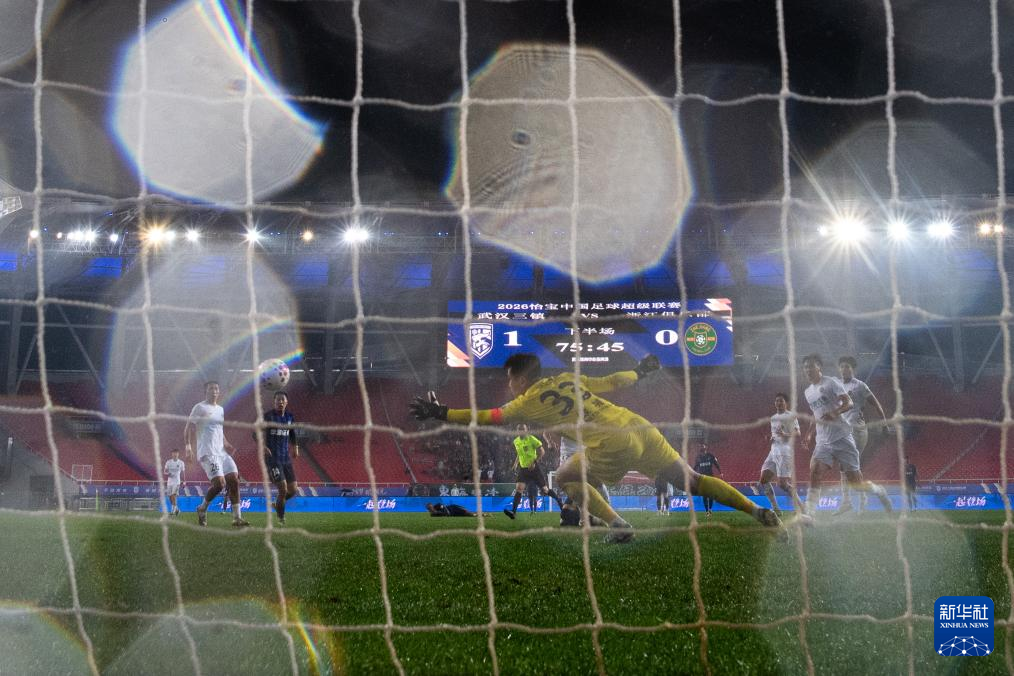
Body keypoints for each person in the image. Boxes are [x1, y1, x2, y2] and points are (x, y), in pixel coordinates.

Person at [410, 353, 782, 542]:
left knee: (565, 476)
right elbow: (613, 380)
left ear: (521, 379)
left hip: (613, 441)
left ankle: (618, 525)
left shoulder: (527, 401)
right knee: (693, 481)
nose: (510, 385)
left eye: (510, 379)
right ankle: (756, 510)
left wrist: (441, 412)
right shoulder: (567, 379)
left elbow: (487, 417)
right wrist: (641, 371)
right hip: (639, 426)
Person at [801, 354, 891, 515]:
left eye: (811, 366)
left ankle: (877, 491)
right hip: (823, 440)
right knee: (815, 470)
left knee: (855, 482)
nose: (808, 369)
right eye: (805, 367)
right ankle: (810, 512)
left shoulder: (835, 383)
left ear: (819, 367)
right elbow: (816, 414)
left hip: (845, 435)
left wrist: (835, 413)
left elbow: (850, 403)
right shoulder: (808, 392)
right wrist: (809, 434)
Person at [185, 381, 248, 528]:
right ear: (205, 392)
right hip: (208, 452)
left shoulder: (220, 409)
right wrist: (188, 447)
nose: (214, 390)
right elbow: (188, 427)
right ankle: (202, 508)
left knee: (234, 480)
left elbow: (219, 429)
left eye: (216, 388)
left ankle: (237, 518)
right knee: (219, 484)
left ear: (219, 392)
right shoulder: (199, 407)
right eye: (211, 388)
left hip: (222, 452)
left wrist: (226, 443)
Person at [835, 356, 888, 514]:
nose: (844, 369)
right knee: (846, 467)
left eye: (847, 366)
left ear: (853, 369)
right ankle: (857, 499)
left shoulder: (860, 385)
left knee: (848, 466)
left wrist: (885, 424)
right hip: (843, 431)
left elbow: (876, 404)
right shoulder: (836, 386)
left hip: (857, 430)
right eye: (842, 366)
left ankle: (855, 499)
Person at [757, 394, 806, 518]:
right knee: (763, 480)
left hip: (785, 452)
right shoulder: (773, 418)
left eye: (781, 401)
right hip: (773, 451)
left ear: (786, 403)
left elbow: (798, 433)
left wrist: (785, 434)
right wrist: (771, 438)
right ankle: (776, 509)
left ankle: (802, 507)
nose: (778, 403)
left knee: (782, 484)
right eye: (776, 401)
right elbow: (776, 434)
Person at [504, 424, 564, 519]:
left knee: (545, 490)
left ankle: (560, 502)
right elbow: (519, 454)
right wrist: (515, 464)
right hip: (523, 469)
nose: (522, 431)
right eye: (520, 430)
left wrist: (534, 462)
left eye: (523, 430)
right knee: (519, 488)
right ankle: (513, 512)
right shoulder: (516, 441)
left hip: (534, 469)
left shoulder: (531, 439)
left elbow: (542, 451)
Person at [261, 390, 299, 525]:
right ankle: (281, 518)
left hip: (286, 459)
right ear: (274, 402)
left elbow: (292, 433)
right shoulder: (268, 417)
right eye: (278, 400)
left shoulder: (290, 417)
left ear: (286, 402)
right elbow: (256, 433)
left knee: (293, 490)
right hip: (273, 459)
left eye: (283, 399)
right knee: (282, 489)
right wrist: (263, 446)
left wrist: (295, 447)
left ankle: (277, 504)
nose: (280, 402)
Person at [692, 443, 722, 516]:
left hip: (710, 477)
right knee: (705, 495)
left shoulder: (710, 456)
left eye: (703, 446)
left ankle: (710, 509)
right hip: (702, 478)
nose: (702, 447)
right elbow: (695, 467)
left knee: (711, 494)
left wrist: (720, 472)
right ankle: (707, 511)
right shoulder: (698, 457)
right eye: (701, 446)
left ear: (706, 447)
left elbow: (716, 463)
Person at [163, 448, 185, 516]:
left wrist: (184, 481)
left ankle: (172, 511)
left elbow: (183, 472)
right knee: (170, 497)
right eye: (173, 453)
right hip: (169, 482)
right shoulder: (168, 462)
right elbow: (165, 471)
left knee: (173, 495)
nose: (175, 454)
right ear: (172, 454)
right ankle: (177, 509)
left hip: (177, 482)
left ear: (178, 454)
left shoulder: (181, 462)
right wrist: (168, 473)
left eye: (176, 453)